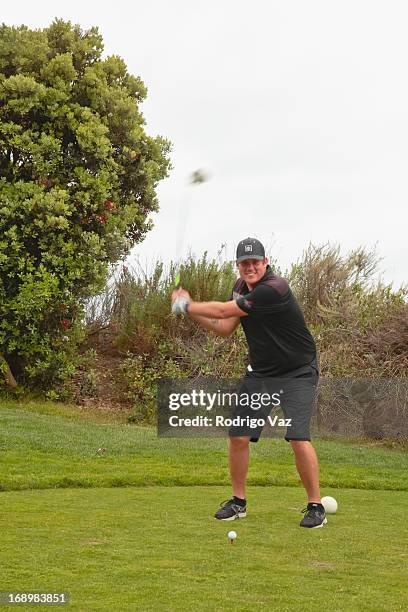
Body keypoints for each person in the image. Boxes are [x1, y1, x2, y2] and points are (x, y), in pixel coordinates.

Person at [171, 237, 326, 528]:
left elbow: (221, 311)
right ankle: (238, 502)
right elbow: (224, 328)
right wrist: (189, 313)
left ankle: (316, 507)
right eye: (244, 263)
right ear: (238, 266)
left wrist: (188, 305)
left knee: (297, 437)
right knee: (238, 435)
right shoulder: (240, 287)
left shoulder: (275, 289)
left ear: (265, 262)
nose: (250, 267)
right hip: (262, 374)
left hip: (298, 372)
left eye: (255, 262)